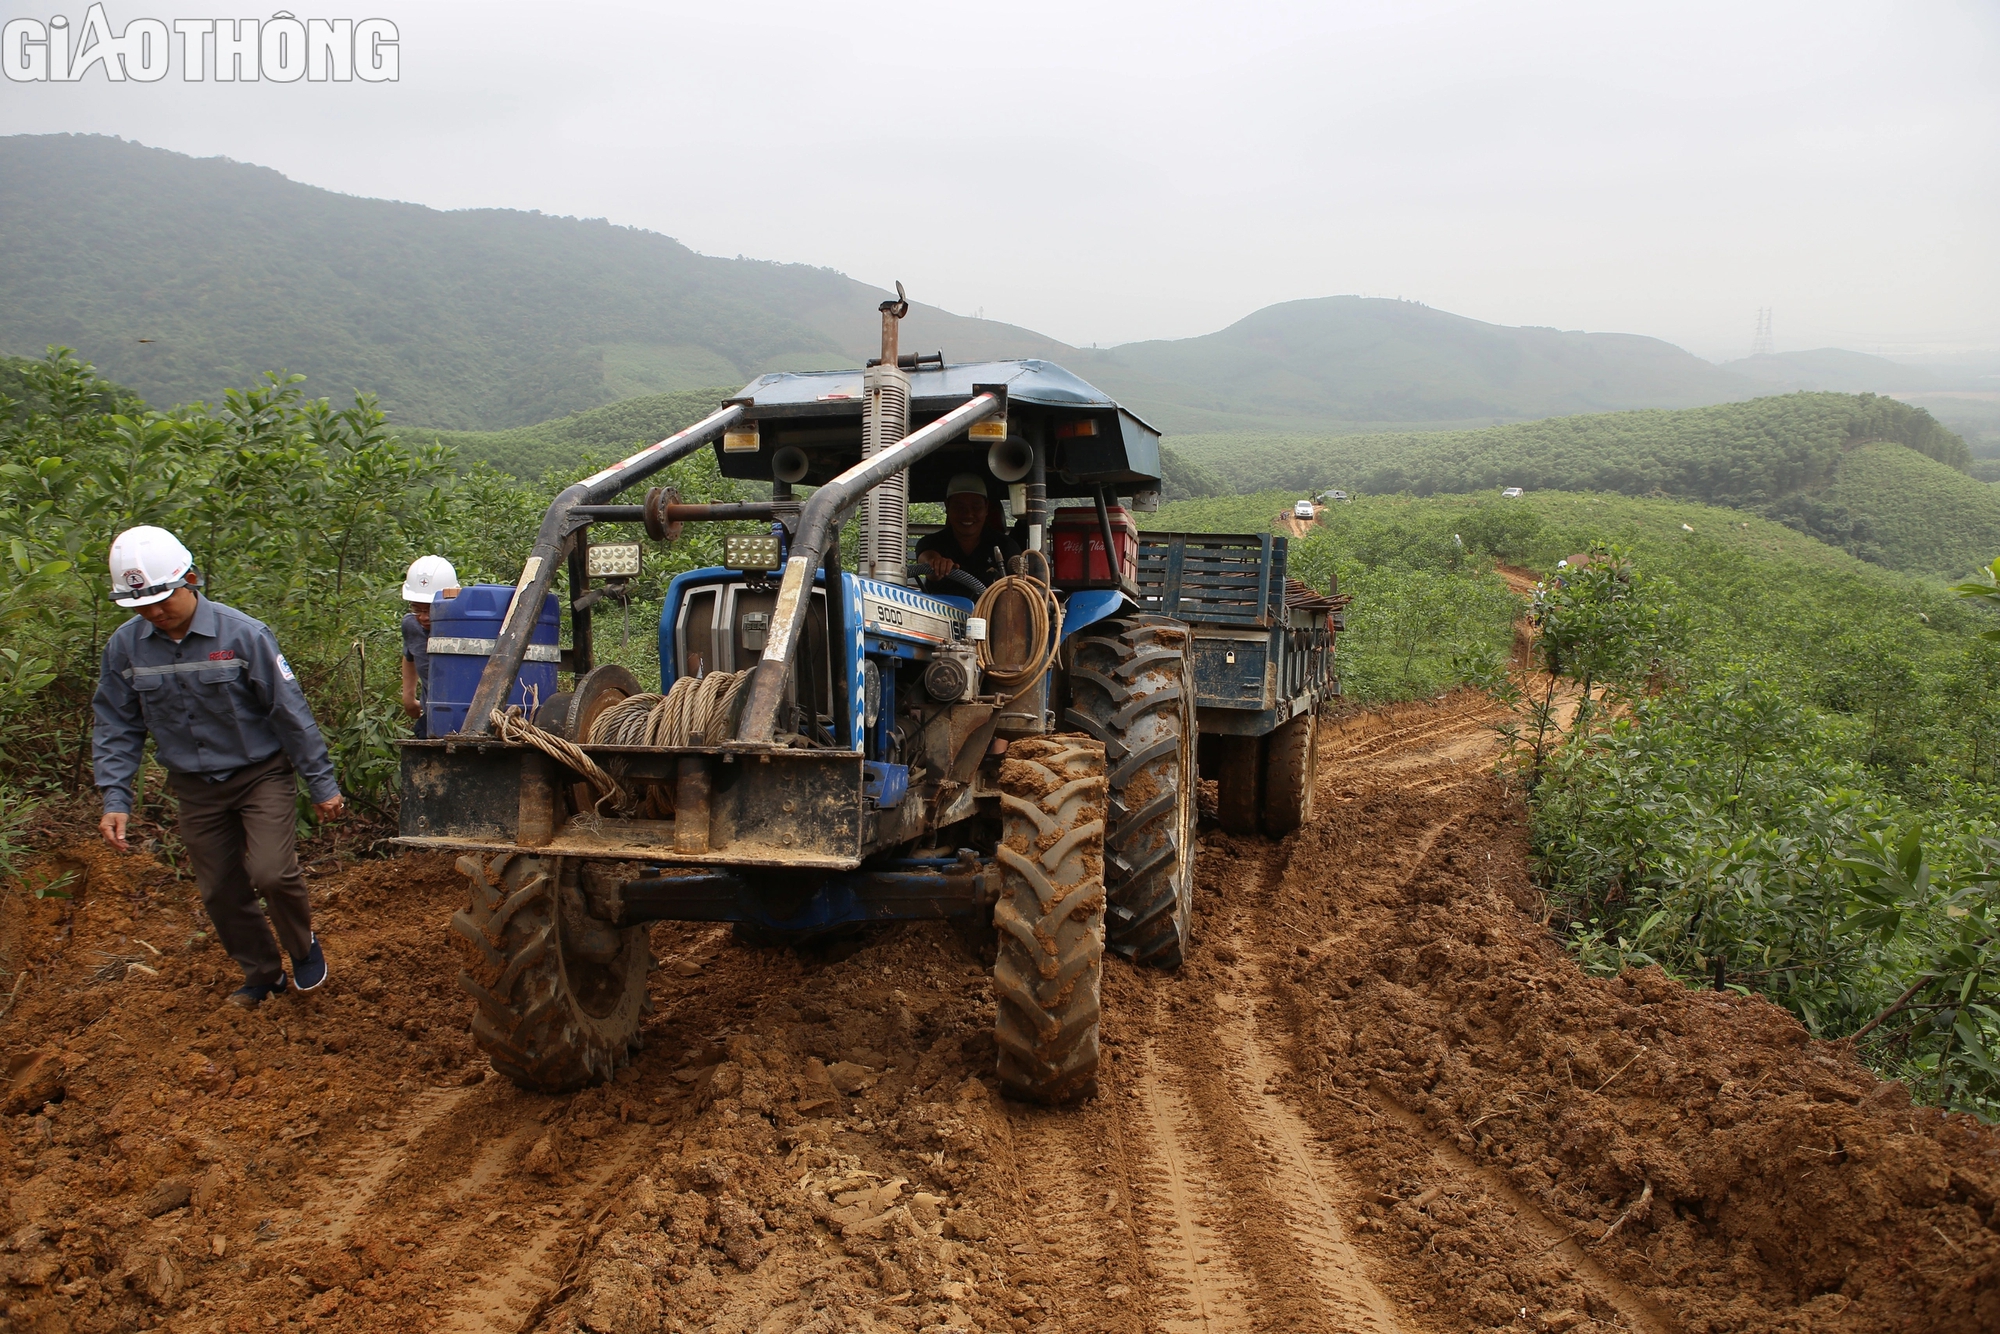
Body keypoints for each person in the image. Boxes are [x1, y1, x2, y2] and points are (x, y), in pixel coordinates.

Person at [92, 526, 344, 1009]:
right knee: (220, 889)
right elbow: (117, 726)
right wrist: (115, 798)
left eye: (163, 599)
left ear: (191, 579)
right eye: (141, 605)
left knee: (271, 873)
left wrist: (321, 783)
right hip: (195, 786)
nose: (154, 612)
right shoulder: (126, 648)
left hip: (260, 775)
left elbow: (289, 713)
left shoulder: (243, 634)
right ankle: (262, 974)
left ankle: (302, 946)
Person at [914, 473, 1020, 596]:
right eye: (959, 507)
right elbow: (927, 560)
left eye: (976, 507)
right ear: (947, 506)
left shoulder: (1006, 545)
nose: (968, 514)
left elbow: (1018, 587)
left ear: (986, 508)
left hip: (990, 614)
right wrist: (936, 564)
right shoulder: (931, 542)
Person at [399, 555, 457, 739]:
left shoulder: (461, 627)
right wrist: (408, 697)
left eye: (430, 609)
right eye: (417, 609)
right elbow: (410, 656)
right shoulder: (411, 626)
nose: (423, 617)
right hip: (432, 716)